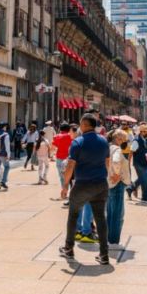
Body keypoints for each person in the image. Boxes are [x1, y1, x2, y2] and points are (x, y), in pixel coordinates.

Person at [59, 114, 112, 266]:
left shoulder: (78, 141)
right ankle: (104, 254)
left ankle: (69, 248)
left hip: (83, 184)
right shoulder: (103, 141)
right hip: (100, 183)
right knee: (100, 218)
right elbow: (107, 162)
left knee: (73, 215)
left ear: (83, 125)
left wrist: (65, 185)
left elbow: (70, 166)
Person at [106, 129, 133, 245]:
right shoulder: (117, 150)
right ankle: (114, 241)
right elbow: (116, 162)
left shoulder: (108, 148)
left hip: (108, 183)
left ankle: (108, 238)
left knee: (110, 213)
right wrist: (117, 174)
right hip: (117, 183)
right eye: (124, 140)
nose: (125, 142)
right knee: (117, 214)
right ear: (118, 139)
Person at [53, 122, 74, 197]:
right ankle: (70, 191)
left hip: (59, 158)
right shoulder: (71, 136)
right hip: (69, 159)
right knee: (70, 176)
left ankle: (64, 191)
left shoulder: (57, 136)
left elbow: (53, 147)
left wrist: (50, 155)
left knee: (61, 176)